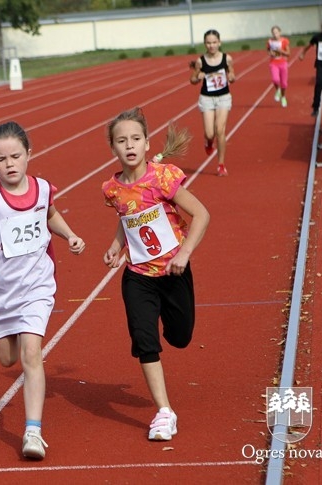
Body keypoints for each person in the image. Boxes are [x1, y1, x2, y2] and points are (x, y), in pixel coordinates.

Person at [0, 121, 85, 460]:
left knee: (31, 354)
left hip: (37, 285)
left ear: (29, 155)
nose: (9, 164)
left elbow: (49, 214)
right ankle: (31, 420)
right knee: (8, 358)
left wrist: (69, 235)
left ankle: (33, 432)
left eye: (15, 156)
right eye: (1, 159)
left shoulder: (42, 188)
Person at [102, 107, 210, 442]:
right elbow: (127, 217)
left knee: (179, 337)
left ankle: (171, 322)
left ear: (147, 143)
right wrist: (116, 246)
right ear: (114, 149)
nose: (129, 145)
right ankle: (164, 412)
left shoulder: (163, 177)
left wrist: (185, 253)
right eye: (122, 141)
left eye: (135, 139)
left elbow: (201, 214)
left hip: (173, 272)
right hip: (138, 276)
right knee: (144, 338)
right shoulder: (112, 188)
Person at [189, 29, 235, 176]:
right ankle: (209, 142)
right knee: (210, 133)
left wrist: (231, 77)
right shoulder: (200, 61)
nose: (211, 45)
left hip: (223, 97)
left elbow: (232, 74)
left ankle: (221, 165)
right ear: (205, 44)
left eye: (214, 42)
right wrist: (199, 76)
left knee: (220, 131)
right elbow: (193, 80)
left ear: (219, 43)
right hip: (207, 98)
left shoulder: (227, 58)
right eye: (208, 43)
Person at [267, 25, 290, 108]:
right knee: (275, 79)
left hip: (283, 63)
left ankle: (283, 97)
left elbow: (288, 53)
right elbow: (268, 51)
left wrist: (281, 51)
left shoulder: (284, 41)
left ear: (280, 32)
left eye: (276, 32)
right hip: (273, 63)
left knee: (284, 83)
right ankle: (278, 90)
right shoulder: (270, 41)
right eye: (273, 33)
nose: (275, 34)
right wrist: (271, 53)